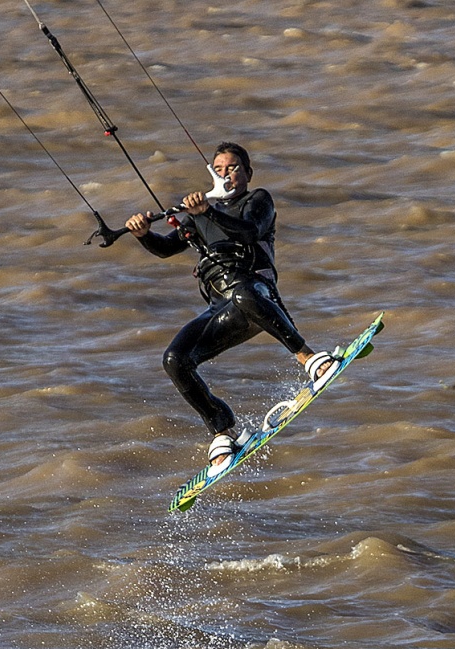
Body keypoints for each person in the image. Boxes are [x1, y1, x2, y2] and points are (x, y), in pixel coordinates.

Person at [125, 142, 338, 474]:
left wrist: (206, 211)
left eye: (234, 168)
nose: (226, 174)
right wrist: (142, 235)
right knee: (175, 360)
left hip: (257, 290)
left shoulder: (258, 201)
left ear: (248, 174)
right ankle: (224, 430)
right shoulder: (198, 219)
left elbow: (250, 230)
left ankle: (308, 358)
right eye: (219, 169)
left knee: (242, 293)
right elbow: (166, 248)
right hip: (221, 306)